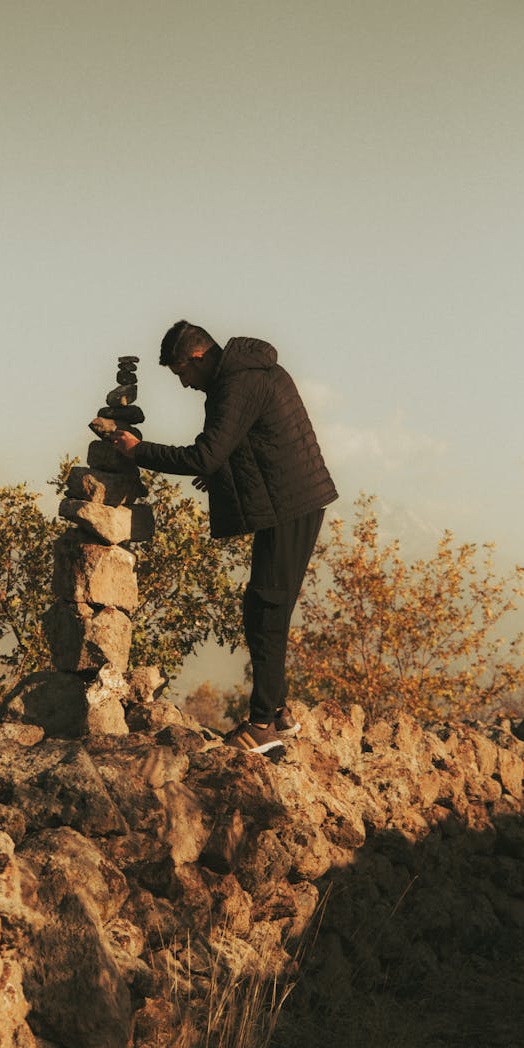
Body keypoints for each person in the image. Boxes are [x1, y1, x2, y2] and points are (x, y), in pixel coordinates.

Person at [112, 319, 337, 754]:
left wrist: (138, 451)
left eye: (182, 374)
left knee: (267, 610)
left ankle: (262, 725)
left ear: (198, 358)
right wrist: (223, 476)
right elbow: (243, 445)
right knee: (263, 607)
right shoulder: (247, 373)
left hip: (290, 504)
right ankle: (278, 714)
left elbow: (206, 454)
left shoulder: (237, 384)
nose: (184, 384)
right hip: (292, 501)